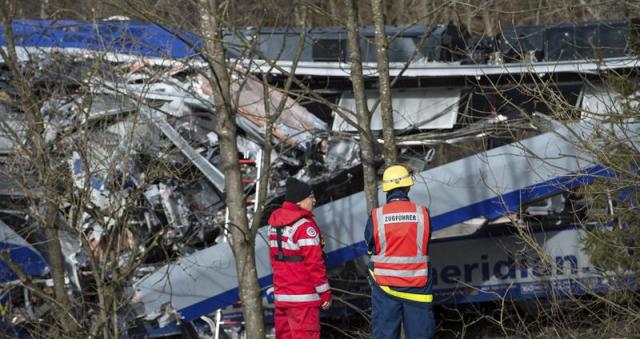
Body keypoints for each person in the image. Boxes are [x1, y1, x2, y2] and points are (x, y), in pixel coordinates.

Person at [364, 165, 435, 339]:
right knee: (421, 335)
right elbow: (426, 242)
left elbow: (369, 245)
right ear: (408, 187)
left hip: (385, 286)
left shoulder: (377, 216)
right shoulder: (422, 213)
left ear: (386, 189)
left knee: (384, 335)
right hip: (418, 285)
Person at [268, 177, 332, 339]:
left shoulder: (274, 225)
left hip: (282, 298)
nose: (314, 201)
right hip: (303, 299)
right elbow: (314, 264)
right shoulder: (304, 226)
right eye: (311, 197)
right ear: (300, 201)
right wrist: (325, 294)